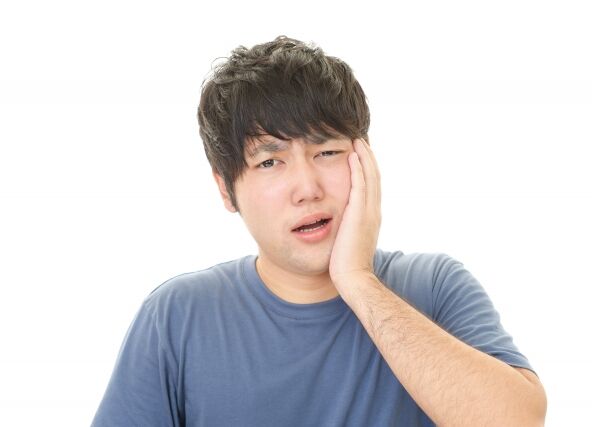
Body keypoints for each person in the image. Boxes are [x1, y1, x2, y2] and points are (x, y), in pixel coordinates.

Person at [91, 35, 547, 426]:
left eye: (326, 152)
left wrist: (357, 280)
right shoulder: (177, 316)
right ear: (226, 189)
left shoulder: (434, 286)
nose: (307, 189)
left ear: (365, 158)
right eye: (270, 162)